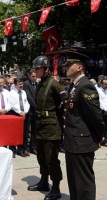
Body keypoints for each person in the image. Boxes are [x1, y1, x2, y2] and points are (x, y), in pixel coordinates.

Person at [63, 52, 104, 200]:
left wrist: (99, 136)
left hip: (82, 142)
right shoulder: (75, 86)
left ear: (79, 67)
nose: (66, 67)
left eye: (69, 65)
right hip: (73, 141)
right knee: (74, 182)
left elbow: (95, 116)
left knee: (84, 183)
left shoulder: (86, 86)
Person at [27, 55, 67, 200]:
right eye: (35, 69)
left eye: (37, 69)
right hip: (40, 126)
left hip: (51, 127)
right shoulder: (41, 83)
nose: (35, 71)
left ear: (45, 69)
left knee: (52, 159)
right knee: (42, 157)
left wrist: (60, 117)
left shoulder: (54, 84)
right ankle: (44, 181)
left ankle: (56, 188)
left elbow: (66, 101)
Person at [9, 78, 30, 157]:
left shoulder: (23, 92)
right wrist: (20, 112)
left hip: (24, 114)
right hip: (16, 114)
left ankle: (21, 149)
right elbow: (13, 104)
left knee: (23, 132)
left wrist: (25, 111)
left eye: (22, 84)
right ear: (15, 85)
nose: (21, 86)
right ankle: (13, 150)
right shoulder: (12, 93)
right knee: (14, 132)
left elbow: (26, 103)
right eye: (19, 84)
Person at [23, 70, 37, 155]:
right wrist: (36, 106)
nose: (35, 78)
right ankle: (25, 147)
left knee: (34, 130)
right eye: (33, 77)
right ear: (29, 76)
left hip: (35, 111)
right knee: (26, 130)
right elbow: (29, 97)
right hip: (29, 110)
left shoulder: (37, 84)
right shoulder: (26, 84)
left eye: (35, 77)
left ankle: (33, 147)